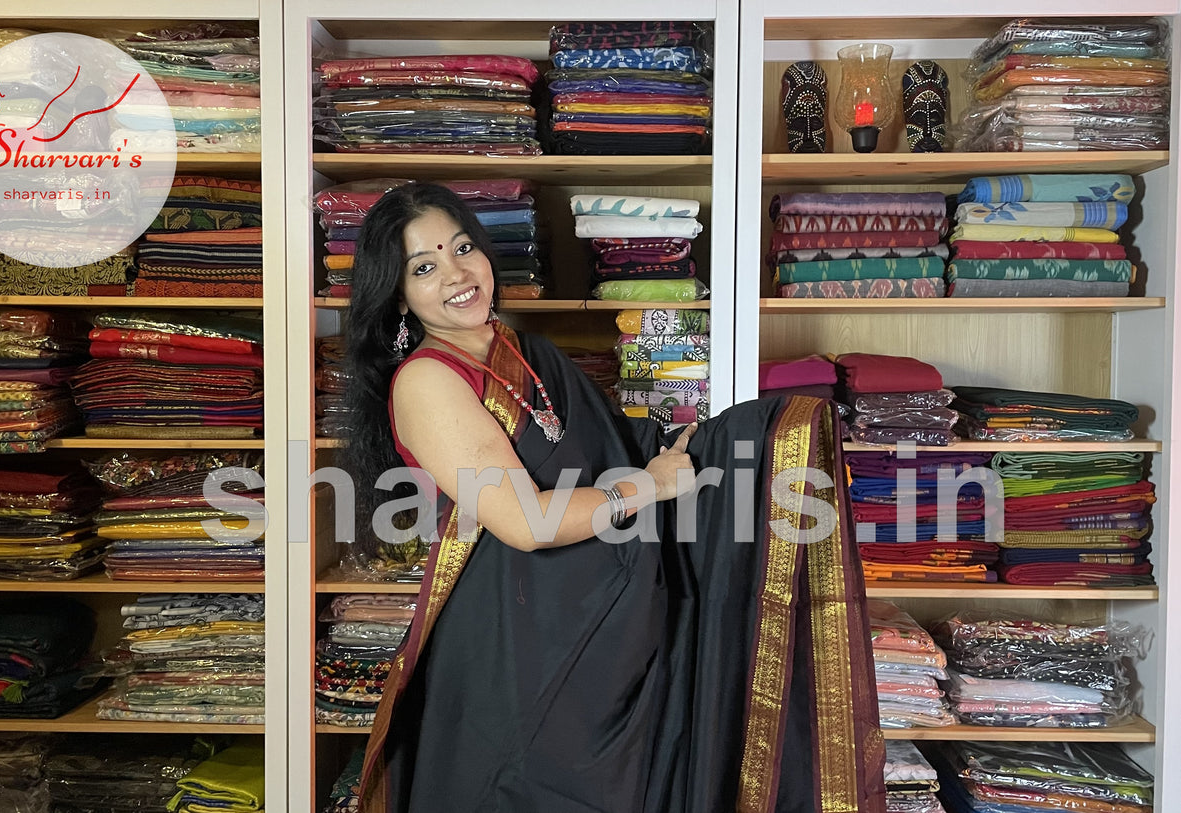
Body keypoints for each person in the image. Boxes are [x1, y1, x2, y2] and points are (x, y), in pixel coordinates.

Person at [344, 182, 885, 813]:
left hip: (605, 621)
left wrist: (723, 442)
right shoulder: (428, 381)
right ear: (399, 294)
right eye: (425, 267)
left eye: (464, 248)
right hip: (518, 638)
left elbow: (616, 446)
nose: (458, 274)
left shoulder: (519, 349)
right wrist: (652, 484)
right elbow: (525, 520)